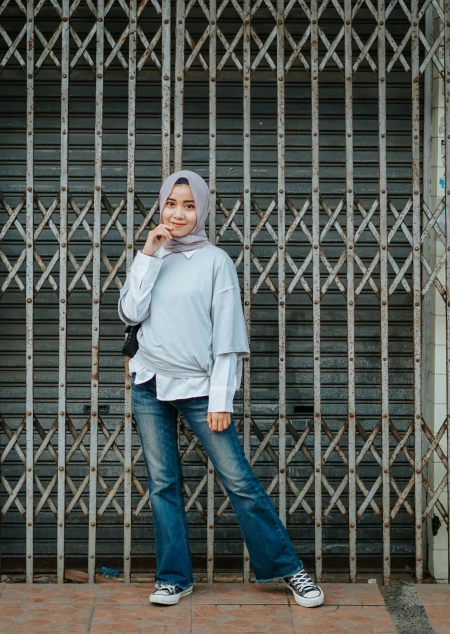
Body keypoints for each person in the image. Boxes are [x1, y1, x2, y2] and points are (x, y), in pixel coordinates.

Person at [118, 169, 324, 608]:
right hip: (149, 384)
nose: (178, 214)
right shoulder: (154, 255)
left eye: (189, 206)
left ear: (203, 211)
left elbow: (228, 337)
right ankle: (174, 578)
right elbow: (130, 312)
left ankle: (290, 569)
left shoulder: (216, 262)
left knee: (240, 482)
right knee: (163, 485)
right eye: (171, 204)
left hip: (198, 388)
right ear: (161, 206)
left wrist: (220, 399)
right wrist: (148, 254)